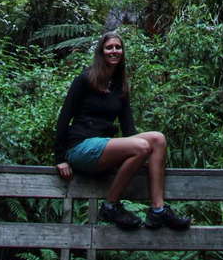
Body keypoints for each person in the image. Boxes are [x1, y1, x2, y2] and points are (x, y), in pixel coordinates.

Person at [54, 31, 191, 231]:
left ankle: (158, 210)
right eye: (109, 47)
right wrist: (60, 157)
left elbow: (129, 128)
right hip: (80, 148)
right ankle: (110, 206)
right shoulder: (84, 79)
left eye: (118, 47)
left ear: (123, 52)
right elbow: (64, 118)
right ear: (101, 51)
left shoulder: (120, 87)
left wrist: (138, 157)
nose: (114, 51)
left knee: (158, 139)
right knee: (142, 146)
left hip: (103, 147)